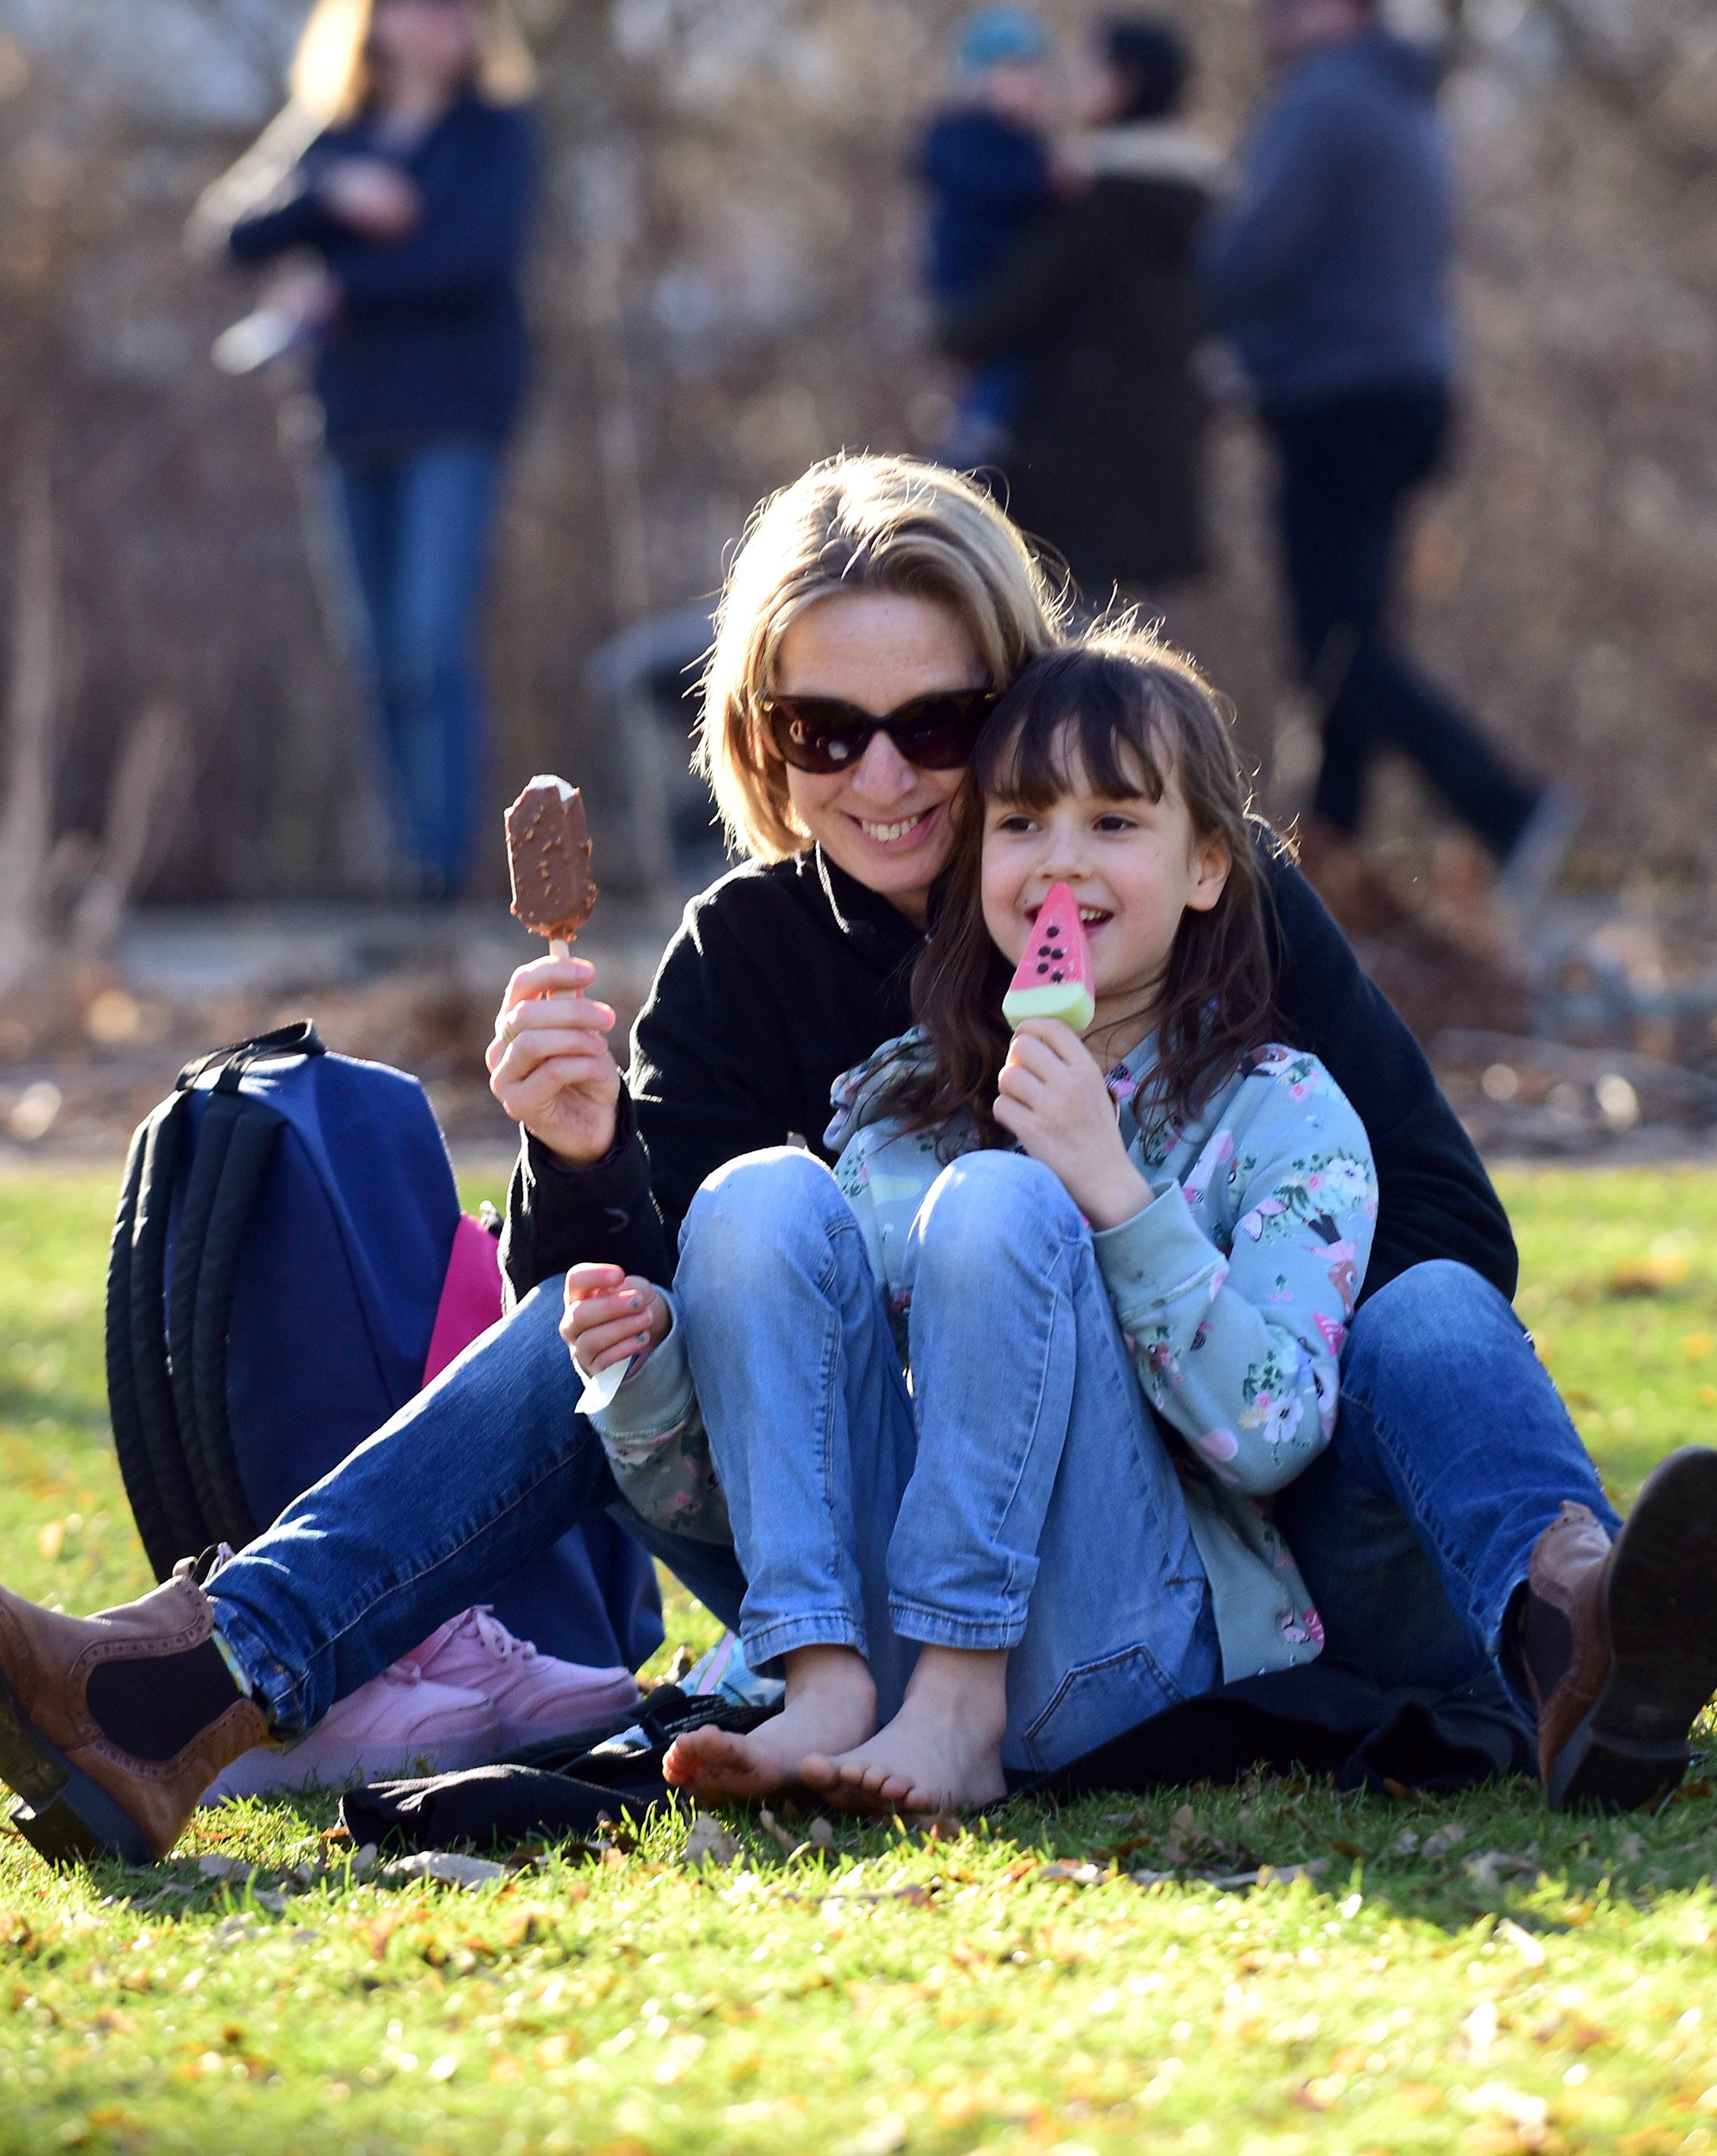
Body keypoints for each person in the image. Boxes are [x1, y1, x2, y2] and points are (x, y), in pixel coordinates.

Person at [0, 455, 1717, 1867]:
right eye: (819, 726)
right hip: (855, 1559)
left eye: (938, 721)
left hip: (1247, 1525)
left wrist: (1151, 1261)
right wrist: (580, 1166)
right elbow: (636, 1365)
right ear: (757, 741)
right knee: (618, 1303)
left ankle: (1574, 1631)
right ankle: (179, 1685)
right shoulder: (752, 960)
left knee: (1424, 1308)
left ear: (1022, 698)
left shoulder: (1196, 899)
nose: (886, 775)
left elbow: (1430, 1222)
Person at [566, 636, 1372, 1810]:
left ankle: (958, 1710)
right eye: (1022, 822)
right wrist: (645, 1379)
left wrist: (1115, 1193)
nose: (1060, 866)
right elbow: (724, 1500)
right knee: (755, 1195)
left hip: (1126, 1652)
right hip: (875, 1657)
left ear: (1207, 864)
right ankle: (824, 1685)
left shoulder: (1284, 1114)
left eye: (1113, 824)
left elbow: (1278, 1434)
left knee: (1004, 1200)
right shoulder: (898, 1107)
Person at [1206, 0, 1577, 916]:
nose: (1269, 15)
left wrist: (1168, 299)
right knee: (1352, 640)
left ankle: (1507, 810)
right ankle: (1328, 870)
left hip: (1340, 400)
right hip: (1404, 393)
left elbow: (1252, 257)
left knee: (1336, 646)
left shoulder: (1324, 99)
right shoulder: (1400, 98)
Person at [203, 0, 540, 902]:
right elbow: (226, 231)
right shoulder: (330, 130)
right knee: (376, 655)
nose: (445, 18)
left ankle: (443, 866)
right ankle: (401, 859)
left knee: (432, 640)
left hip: (456, 413)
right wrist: (329, 190)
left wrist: (343, 293)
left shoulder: (497, 130)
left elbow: (475, 258)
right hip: (348, 417)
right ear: (376, 16)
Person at [941, 14, 1218, 601]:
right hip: (1162, 470)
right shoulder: (1201, 200)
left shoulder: (1093, 202)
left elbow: (990, 321)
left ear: (1125, 83)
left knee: (1067, 659)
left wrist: (953, 325)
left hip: (1076, 478)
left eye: (1092, 68)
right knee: (1138, 658)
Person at [912, 5, 1058, 471]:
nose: (1031, 83)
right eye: (1016, 70)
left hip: (997, 278)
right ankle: (978, 435)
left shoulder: (1020, 140)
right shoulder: (967, 138)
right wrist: (1046, 179)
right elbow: (993, 184)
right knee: (999, 367)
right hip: (972, 276)